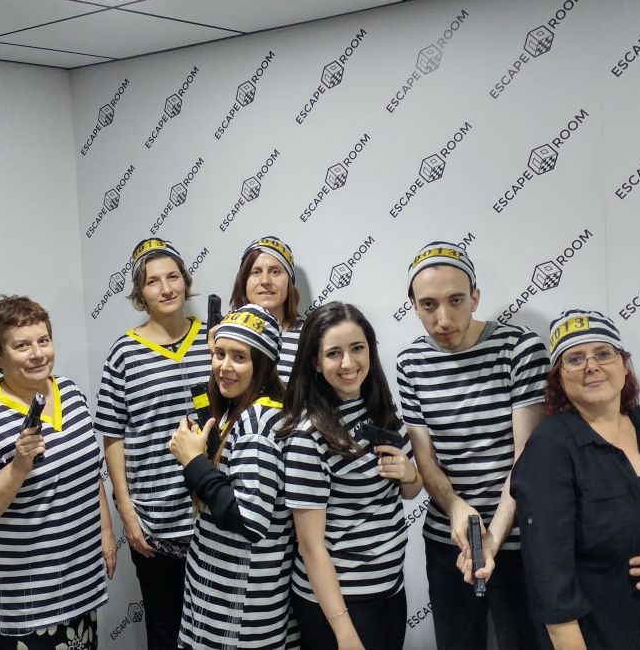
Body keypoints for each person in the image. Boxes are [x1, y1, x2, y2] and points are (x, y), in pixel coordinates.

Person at [512, 310, 640, 650]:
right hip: (594, 638)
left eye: (603, 353)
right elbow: (549, 580)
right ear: (558, 377)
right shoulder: (550, 448)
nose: (592, 366)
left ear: (623, 364)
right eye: (575, 359)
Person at [395, 242, 550, 650]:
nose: (443, 319)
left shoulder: (521, 348)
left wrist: (493, 538)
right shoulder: (410, 363)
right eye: (429, 305)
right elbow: (424, 458)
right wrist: (455, 508)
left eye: (456, 300)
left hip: (518, 539)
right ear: (414, 306)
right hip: (449, 539)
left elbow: (527, 459)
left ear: (475, 297)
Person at [0, 296, 115, 650]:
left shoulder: (71, 393)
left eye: (43, 340)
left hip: (79, 588)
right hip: (20, 607)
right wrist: (17, 467)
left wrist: (106, 533)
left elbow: (90, 474)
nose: (38, 353)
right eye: (22, 346)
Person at [282, 302, 423, 650]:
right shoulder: (308, 437)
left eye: (357, 348)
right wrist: (344, 633)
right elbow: (311, 547)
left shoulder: (381, 411)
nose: (348, 363)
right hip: (341, 606)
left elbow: (409, 492)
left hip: (390, 590)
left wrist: (409, 474)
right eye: (334, 353)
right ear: (315, 362)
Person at [95, 238, 211, 650]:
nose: (165, 288)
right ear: (140, 294)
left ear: (186, 281)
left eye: (173, 277)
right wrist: (126, 510)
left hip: (214, 515)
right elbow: (112, 435)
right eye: (152, 281)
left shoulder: (213, 340)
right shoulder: (124, 353)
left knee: (216, 631)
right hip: (156, 522)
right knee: (165, 630)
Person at [168, 304, 295, 649]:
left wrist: (194, 462)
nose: (224, 366)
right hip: (218, 598)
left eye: (239, 357)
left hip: (239, 610)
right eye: (219, 353)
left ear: (263, 364)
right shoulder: (235, 410)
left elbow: (249, 520)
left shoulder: (257, 425)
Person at [228, 236, 302, 379]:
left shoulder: (309, 336)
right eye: (256, 272)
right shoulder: (226, 333)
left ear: (289, 282)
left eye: (275, 272)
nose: (265, 281)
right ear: (244, 282)